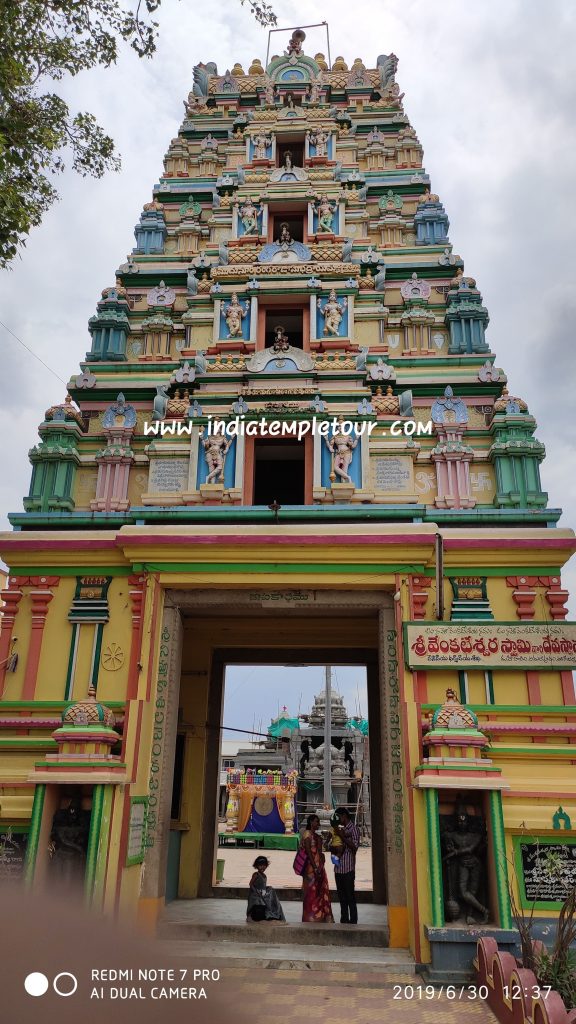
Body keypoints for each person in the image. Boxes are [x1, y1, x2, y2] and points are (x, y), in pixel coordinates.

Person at [301, 814, 334, 923]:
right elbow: (309, 852)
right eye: (316, 821)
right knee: (311, 893)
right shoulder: (307, 834)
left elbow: (319, 851)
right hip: (311, 869)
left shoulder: (315, 836)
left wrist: (326, 840)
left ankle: (320, 916)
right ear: (311, 822)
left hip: (319, 867)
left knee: (319, 891)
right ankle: (310, 917)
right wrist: (315, 867)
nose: (318, 824)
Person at [330, 807, 360, 924]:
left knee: (350, 897)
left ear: (344, 816)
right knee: (341, 898)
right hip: (338, 869)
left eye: (339, 817)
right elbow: (330, 847)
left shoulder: (354, 829)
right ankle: (344, 919)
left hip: (348, 868)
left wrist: (342, 836)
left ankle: (353, 921)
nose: (337, 820)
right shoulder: (337, 829)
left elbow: (354, 847)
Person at [246, 856, 286, 922]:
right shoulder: (256, 874)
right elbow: (251, 884)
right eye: (260, 865)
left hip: (262, 893)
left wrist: (267, 889)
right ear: (256, 866)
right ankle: (250, 916)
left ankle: (272, 913)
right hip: (255, 895)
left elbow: (263, 886)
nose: (262, 867)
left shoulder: (264, 875)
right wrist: (256, 892)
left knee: (271, 892)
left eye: (264, 865)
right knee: (256, 905)